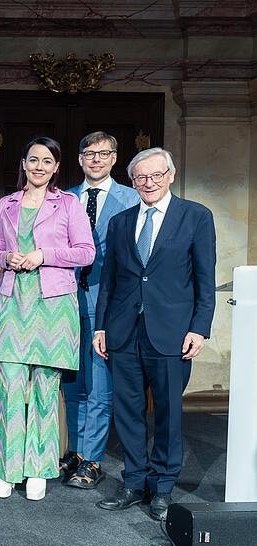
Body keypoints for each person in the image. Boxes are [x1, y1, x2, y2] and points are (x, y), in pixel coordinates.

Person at [95, 148, 215, 521]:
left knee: (167, 413)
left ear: (171, 175)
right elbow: (110, 281)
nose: (148, 183)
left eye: (155, 176)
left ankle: (163, 487)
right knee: (127, 411)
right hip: (123, 331)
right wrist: (100, 326)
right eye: (140, 178)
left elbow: (204, 280)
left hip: (173, 333)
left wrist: (200, 328)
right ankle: (134, 482)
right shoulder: (120, 221)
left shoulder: (195, 216)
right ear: (133, 181)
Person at [0, 137, 95, 501]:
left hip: (54, 307)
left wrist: (42, 255)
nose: (38, 166)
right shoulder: (5, 205)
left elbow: (86, 251)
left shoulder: (69, 204)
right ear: (23, 163)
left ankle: (38, 469)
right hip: (15, 304)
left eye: (46, 161)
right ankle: (7, 469)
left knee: (46, 392)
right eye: (33, 159)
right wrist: (9, 260)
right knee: (11, 390)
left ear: (55, 168)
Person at [60, 132, 139, 490]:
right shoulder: (63, 200)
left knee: (100, 387)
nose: (95, 159)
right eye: (89, 153)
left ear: (114, 158)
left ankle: (92, 459)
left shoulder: (132, 198)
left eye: (103, 153)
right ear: (79, 159)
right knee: (72, 385)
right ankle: (76, 452)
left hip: (106, 303)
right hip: (63, 302)